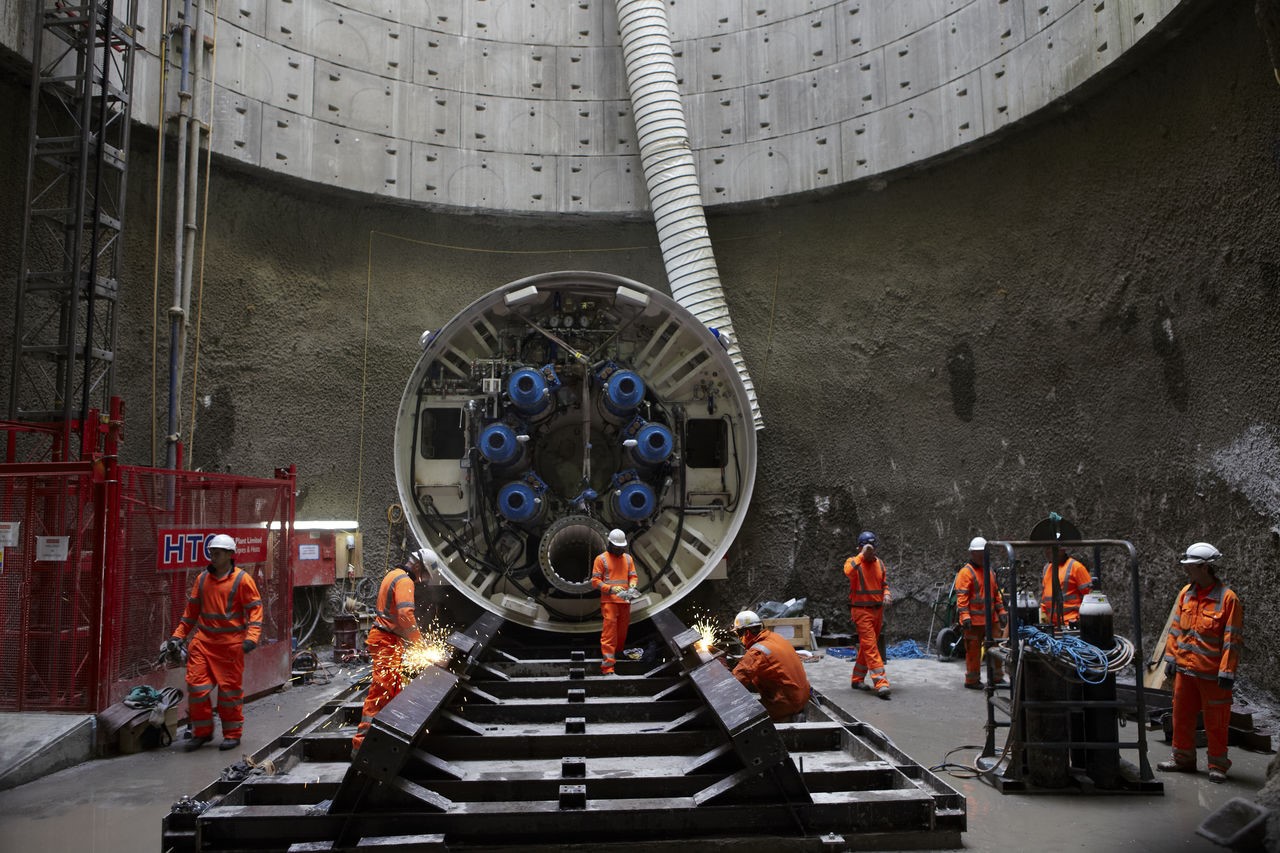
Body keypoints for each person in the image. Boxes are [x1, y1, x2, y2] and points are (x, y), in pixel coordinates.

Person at [161, 533, 263, 752]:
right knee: (197, 689)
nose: (213, 557)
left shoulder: (242, 579)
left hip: (230, 646)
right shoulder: (202, 580)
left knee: (229, 693)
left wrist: (251, 638)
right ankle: (202, 732)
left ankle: (232, 734)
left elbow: (255, 610)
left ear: (229, 555)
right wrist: (178, 637)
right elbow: (191, 614)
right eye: (211, 553)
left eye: (217, 553)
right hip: (203, 643)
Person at [1158, 542, 1242, 783]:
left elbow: (1232, 639)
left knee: (1216, 721)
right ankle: (1182, 759)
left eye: (1192, 567)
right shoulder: (1186, 593)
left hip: (1212, 674)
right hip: (1186, 670)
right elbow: (1176, 629)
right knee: (1181, 716)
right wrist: (1171, 658)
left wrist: (1227, 671)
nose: (1187, 571)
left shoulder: (1228, 599)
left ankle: (1217, 764)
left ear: (1205, 568)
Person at [351, 547, 440, 756]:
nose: (422, 579)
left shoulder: (393, 574)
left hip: (387, 639)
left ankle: (385, 737)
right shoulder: (405, 581)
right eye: (424, 574)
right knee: (381, 691)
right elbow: (405, 615)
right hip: (386, 640)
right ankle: (361, 745)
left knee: (393, 689)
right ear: (417, 566)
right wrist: (420, 644)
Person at [729, 610, 811, 721]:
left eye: (739, 634)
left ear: (746, 633)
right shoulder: (776, 638)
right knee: (755, 679)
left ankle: (785, 717)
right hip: (802, 697)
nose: (740, 639)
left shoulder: (757, 651)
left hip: (786, 703)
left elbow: (735, 682)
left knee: (739, 716)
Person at [954, 537, 1008, 689]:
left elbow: (995, 594)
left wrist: (1001, 611)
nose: (980, 556)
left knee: (997, 649)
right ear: (971, 554)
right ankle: (972, 680)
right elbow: (962, 598)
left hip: (991, 620)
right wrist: (965, 617)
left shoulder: (989, 571)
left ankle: (997, 678)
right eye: (978, 553)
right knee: (973, 652)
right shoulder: (966, 573)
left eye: (983, 553)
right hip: (974, 622)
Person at [843, 530, 892, 698]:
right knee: (871, 647)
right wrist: (862, 555)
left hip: (877, 611)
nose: (871, 552)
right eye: (867, 548)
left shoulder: (880, 564)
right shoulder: (853, 562)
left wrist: (886, 594)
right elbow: (848, 572)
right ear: (860, 548)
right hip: (861, 612)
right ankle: (881, 683)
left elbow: (884, 583)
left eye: (872, 548)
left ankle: (857, 679)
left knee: (866, 646)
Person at [590, 528, 638, 675]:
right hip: (609, 602)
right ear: (610, 545)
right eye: (617, 547)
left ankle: (618, 654)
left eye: (621, 547)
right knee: (609, 634)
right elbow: (595, 581)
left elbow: (633, 576)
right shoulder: (601, 559)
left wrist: (632, 585)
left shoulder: (628, 559)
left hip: (625, 601)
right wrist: (610, 589)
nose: (619, 550)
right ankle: (608, 668)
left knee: (622, 633)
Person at [1039, 548, 1093, 627]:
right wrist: (1043, 613)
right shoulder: (1047, 568)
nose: (1047, 551)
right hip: (1052, 625)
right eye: (1046, 548)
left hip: (1072, 623)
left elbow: (1090, 597)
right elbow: (1045, 595)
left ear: (1062, 550)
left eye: (1050, 549)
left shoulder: (1076, 567)